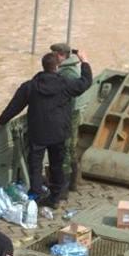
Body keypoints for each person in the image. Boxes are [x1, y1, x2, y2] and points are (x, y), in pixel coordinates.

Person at [0, 50, 93, 209]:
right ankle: (55, 197)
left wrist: (1, 121)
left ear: (43, 66)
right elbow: (85, 82)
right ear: (57, 67)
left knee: (35, 166)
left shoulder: (30, 86)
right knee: (57, 165)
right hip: (59, 133)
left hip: (38, 133)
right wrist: (84, 61)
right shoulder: (65, 84)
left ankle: (35, 196)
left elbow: (15, 106)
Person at [50, 43, 82, 192]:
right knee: (70, 149)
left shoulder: (67, 73)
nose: (52, 57)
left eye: (53, 54)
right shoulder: (69, 69)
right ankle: (73, 183)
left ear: (60, 55)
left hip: (69, 115)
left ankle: (64, 189)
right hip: (71, 113)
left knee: (66, 150)